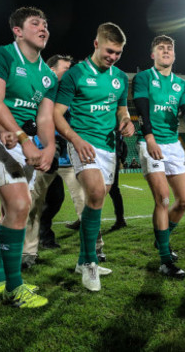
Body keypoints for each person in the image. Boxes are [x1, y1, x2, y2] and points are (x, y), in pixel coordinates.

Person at [0, 6, 57, 306]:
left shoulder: (48, 76)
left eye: (46, 24)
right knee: (22, 206)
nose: (43, 28)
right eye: (35, 23)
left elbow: (46, 118)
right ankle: (14, 288)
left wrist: (48, 146)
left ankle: (0, 278)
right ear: (17, 31)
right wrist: (24, 140)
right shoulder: (1, 56)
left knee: (10, 212)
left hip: (26, 145)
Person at [53, 22, 135, 291]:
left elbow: (122, 110)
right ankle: (90, 263)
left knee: (97, 201)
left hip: (108, 147)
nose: (113, 57)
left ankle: (82, 259)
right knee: (98, 194)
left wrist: (126, 121)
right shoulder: (75, 74)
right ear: (96, 43)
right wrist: (75, 140)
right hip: (82, 143)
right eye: (110, 51)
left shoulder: (120, 78)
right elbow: (57, 114)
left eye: (118, 53)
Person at [133, 35, 185, 277]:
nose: (166, 51)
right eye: (161, 48)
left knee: (184, 201)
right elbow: (142, 110)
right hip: (149, 141)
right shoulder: (144, 78)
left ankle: (162, 239)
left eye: (169, 48)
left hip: (173, 144)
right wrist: (150, 138)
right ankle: (165, 260)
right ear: (153, 55)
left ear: (174, 55)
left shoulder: (182, 84)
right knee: (163, 199)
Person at [22, 54, 77, 268]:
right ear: (52, 70)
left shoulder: (68, 93)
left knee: (58, 200)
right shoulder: (41, 89)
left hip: (65, 157)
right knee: (36, 203)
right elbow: (37, 120)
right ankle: (29, 251)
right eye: (66, 67)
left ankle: (93, 251)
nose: (70, 71)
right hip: (43, 154)